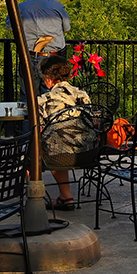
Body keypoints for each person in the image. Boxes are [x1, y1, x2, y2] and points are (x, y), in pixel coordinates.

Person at [37, 55, 95, 211]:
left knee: (30, 152)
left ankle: (33, 200)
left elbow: (38, 130)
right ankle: (65, 197)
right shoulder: (83, 95)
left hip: (59, 157)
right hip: (88, 153)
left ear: (48, 79)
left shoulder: (45, 100)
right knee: (60, 144)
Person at [14, 0, 71, 85]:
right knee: (52, 96)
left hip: (27, 57)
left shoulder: (21, 7)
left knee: (28, 95)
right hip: (53, 59)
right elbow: (67, 28)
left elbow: (9, 25)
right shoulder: (57, 7)